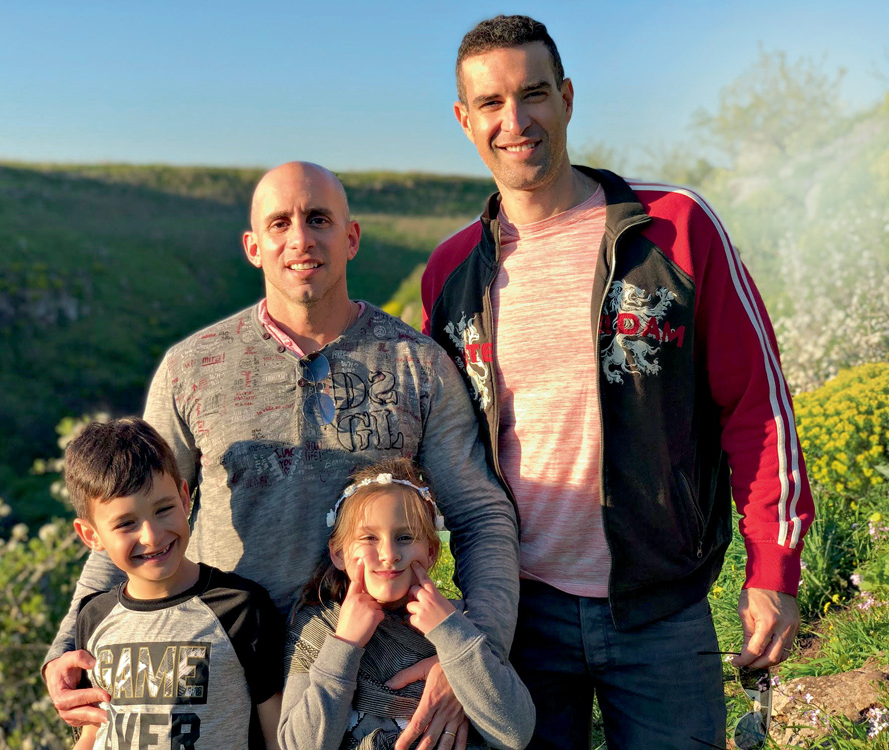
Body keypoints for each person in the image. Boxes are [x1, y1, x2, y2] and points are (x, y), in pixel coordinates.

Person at [421, 15, 815, 749]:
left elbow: (756, 407)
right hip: (516, 616)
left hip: (659, 609)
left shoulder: (672, 228)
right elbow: (429, 445)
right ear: (464, 119)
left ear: (567, 97)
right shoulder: (450, 273)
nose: (516, 121)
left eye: (534, 93)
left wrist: (775, 566)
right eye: (492, 104)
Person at [45, 161, 521, 750]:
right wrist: (70, 643)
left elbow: (481, 516)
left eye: (319, 218)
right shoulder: (192, 368)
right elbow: (128, 512)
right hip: (217, 687)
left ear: (350, 237)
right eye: (280, 223)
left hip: (367, 691)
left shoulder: (417, 366)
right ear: (253, 246)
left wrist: (473, 653)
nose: (300, 239)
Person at [280, 458, 535, 750]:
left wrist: (451, 634)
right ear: (338, 553)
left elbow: (515, 732)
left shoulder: (460, 621)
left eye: (405, 537)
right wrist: (344, 645)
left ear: (430, 551)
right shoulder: (315, 627)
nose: (389, 554)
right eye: (369, 537)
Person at [64, 417, 284, 750]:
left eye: (163, 509)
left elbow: (277, 732)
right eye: (126, 523)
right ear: (91, 535)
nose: (151, 536)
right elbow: (96, 729)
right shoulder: (93, 615)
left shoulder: (239, 606)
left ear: (184, 498)